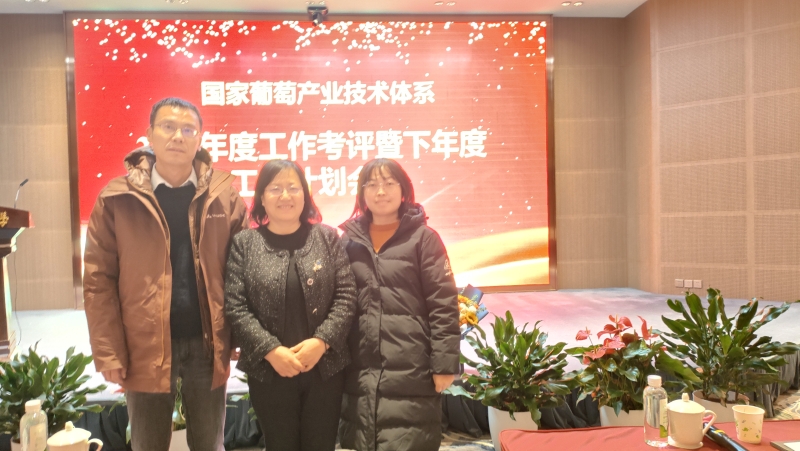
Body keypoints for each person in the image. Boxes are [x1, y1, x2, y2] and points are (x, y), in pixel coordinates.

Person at [83, 97, 248, 451]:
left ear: (200, 138)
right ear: (150, 134)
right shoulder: (117, 199)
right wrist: (108, 351)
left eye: (188, 129)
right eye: (168, 127)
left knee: (210, 443)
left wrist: (236, 336)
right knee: (147, 444)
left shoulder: (225, 198)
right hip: (143, 343)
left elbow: (241, 274)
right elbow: (99, 281)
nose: (178, 136)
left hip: (207, 342)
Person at [224, 159, 356, 451]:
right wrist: (271, 350)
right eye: (275, 189)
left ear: (305, 195)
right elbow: (235, 306)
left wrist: (321, 343)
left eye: (293, 188)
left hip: (325, 369)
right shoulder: (245, 244)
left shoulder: (327, 237)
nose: (285, 196)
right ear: (261, 197)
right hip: (270, 371)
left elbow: (346, 295)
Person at [338, 158, 461, 451]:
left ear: (403, 189)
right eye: (372, 184)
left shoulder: (424, 239)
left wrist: (445, 364)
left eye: (388, 183)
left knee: (408, 440)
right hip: (361, 366)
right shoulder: (348, 242)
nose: (380, 191)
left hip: (411, 366)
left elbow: (443, 304)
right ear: (362, 193)